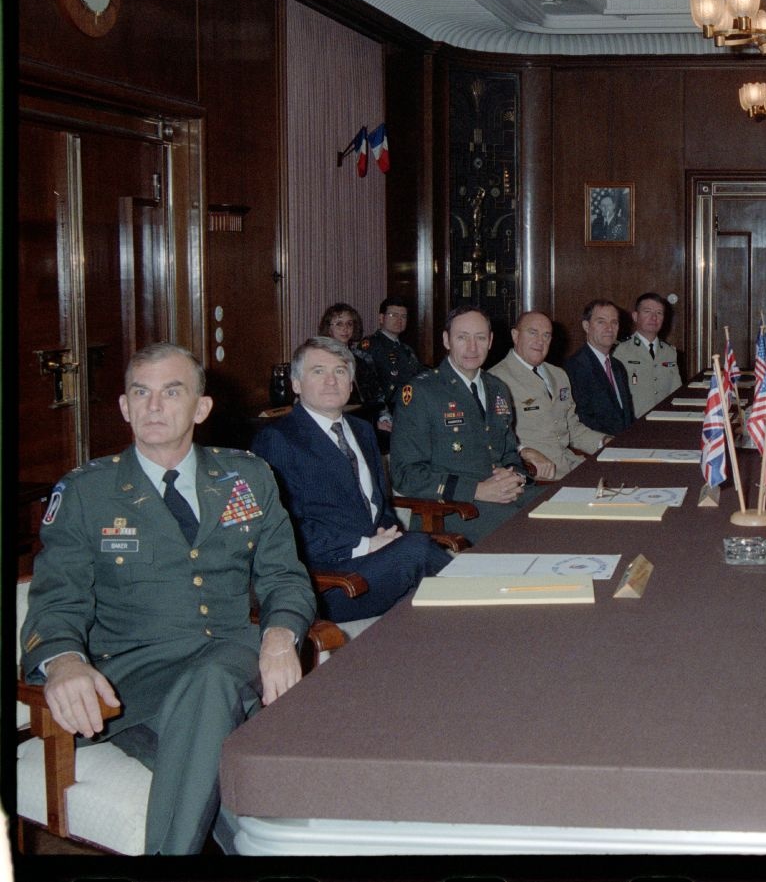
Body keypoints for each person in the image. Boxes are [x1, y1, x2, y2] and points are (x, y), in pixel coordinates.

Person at [20, 343, 315, 854]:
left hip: (232, 656)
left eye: (171, 392)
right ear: (124, 407)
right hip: (135, 685)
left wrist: (279, 637)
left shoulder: (247, 476)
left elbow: (284, 577)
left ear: (201, 408)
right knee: (236, 785)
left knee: (212, 678)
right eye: (142, 393)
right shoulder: (87, 493)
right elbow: (55, 600)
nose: (154, 406)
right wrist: (64, 662)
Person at [252, 337, 453, 621]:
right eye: (318, 371)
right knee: (417, 550)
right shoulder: (278, 440)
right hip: (328, 582)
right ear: (296, 384)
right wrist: (365, 545)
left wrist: (387, 536)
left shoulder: (362, 431)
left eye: (340, 371)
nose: (331, 381)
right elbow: (287, 532)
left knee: (422, 563)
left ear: (351, 383)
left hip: (375, 565)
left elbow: (379, 507)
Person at [389, 306, 550, 541]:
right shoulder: (421, 392)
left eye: (480, 338)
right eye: (462, 337)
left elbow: (508, 454)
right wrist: (477, 490)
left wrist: (513, 477)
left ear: (491, 341)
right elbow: (406, 474)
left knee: (564, 509)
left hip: (505, 495)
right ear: (447, 340)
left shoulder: (497, 388)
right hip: (452, 508)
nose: (472, 348)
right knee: (533, 533)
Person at [490, 311, 608, 478]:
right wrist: (523, 452)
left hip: (570, 466)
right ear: (515, 335)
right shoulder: (496, 380)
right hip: (536, 476)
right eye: (533, 333)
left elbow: (572, 429)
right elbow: (494, 440)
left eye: (546, 335)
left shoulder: (558, 375)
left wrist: (604, 442)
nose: (540, 341)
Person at [564, 299, 636, 436]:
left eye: (614, 322)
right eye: (601, 322)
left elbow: (626, 416)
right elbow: (581, 420)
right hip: (597, 447)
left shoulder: (617, 366)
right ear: (586, 326)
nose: (609, 328)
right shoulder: (574, 368)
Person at [356, 296, 427, 432]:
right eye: (393, 315)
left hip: (410, 411)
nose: (399, 320)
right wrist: (382, 415)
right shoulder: (370, 346)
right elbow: (367, 385)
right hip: (386, 416)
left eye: (404, 316)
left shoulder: (406, 350)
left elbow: (419, 377)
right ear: (381, 318)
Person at [613, 292, 681, 414]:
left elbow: (676, 393)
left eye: (659, 313)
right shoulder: (620, 351)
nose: (654, 318)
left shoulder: (670, 352)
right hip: (634, 424)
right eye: (647, 311)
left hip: (664, 421)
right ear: (635, 316)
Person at [318, 302, 383, 410]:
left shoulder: (362, 358)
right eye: (339, 324)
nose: (345, 328)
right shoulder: (321, 358)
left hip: (365, 415)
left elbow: (375, 393)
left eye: (349, 324)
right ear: (329, 329)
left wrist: (381, 417)